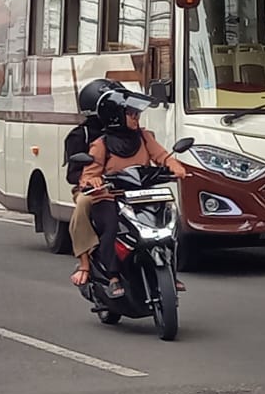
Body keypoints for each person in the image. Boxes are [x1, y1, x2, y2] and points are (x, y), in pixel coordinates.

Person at [80, 89, 188, 299]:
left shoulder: (144, 137)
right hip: (111, 197)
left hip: (142, 195)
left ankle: (170, 272)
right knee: (111, 227)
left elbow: (162, 156)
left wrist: (174, 165)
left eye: (137, 114)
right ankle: (113, 277)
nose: (136, 118)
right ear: (115, 116)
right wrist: (93, 180)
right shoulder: (101, 144)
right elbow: (88, 175)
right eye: (131, 114)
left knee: (171, 223)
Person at [66, 79, 122, 287]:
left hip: (126, 187)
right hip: (93, 189)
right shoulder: (81, 135)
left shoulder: (128, 131)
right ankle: (84, 262)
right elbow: (73, 174)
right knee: (82, 204)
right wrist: (93, 179)